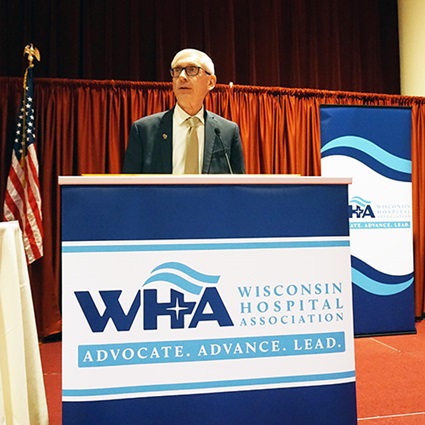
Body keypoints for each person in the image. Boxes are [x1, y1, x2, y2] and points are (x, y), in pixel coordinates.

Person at [122, 48, 245, 174]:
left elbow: (238, 186)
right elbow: (130, 186)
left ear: (211, 82)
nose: (182, 77)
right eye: (177, 70)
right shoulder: (144, 130)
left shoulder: (227, 132)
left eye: (192, 70)